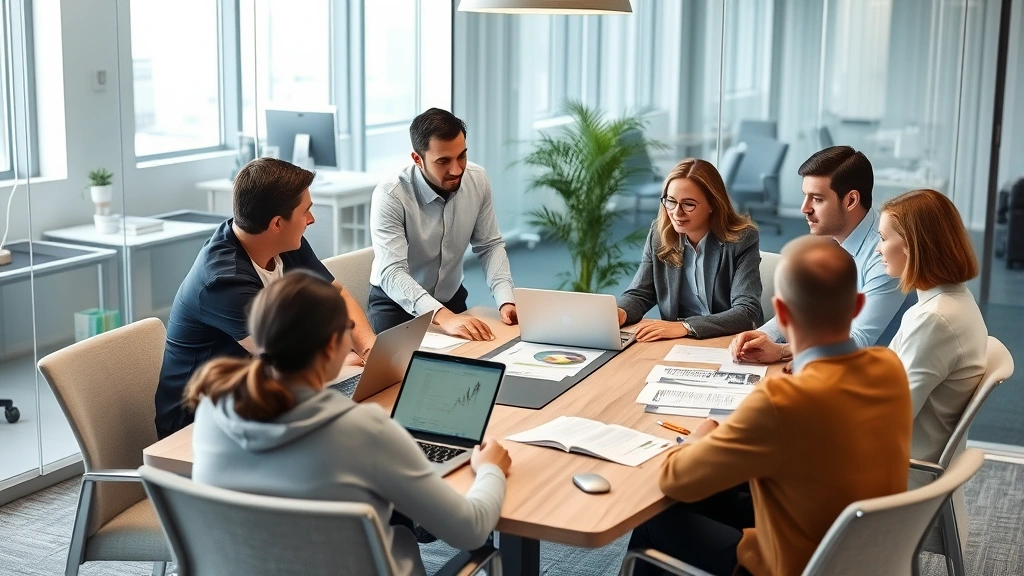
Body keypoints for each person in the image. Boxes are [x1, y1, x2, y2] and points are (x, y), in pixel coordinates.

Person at [186, 271, 511, 576]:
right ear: (332, 345)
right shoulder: (363, 430)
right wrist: (490, 468)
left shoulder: (211, 410)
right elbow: (470, 529)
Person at [627, 236, 911, 576]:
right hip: (863, 554)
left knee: (656, 519)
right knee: (721, 490)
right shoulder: (889, 368)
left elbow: (675, 478)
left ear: (782, 313)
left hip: (794, 565)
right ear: (857, 306)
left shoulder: (782, 402)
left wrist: (706, 430)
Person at [155, 158, 375, 439]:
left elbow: (337, 294)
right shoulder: (223, 280)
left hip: (259, 395)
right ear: (277, 223)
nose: (311, 219)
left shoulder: (282, 242)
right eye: (306, 211)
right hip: (198, 421)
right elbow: (286, 361)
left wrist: (369, 350)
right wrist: (338, 357)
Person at [729, 146, 909, 365]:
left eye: (817, 199)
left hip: (868, 376)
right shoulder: (832, 236)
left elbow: (859, 340)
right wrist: (765, 335)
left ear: (851, 200)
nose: (804, 209)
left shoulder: (884, 255)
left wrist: (783, 350)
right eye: (805, 196)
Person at [369, 108, 516, 341]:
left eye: (462, 156)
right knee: (401, 376)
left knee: (472, 362)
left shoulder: (477, 179)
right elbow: (392, 272)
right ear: (417, 159)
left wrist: (505, 299)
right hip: (397, 305)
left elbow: (489, 245)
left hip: (451, 299)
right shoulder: (391, 195)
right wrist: (443, 316)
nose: (457, 169)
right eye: (443, 161)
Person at [878, 189, 987, 463]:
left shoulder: (935, 320)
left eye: (882, 239)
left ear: (911, 246)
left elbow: (890, 418)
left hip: (891, 466)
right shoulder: (951, 300)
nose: (878, 249)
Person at [616, 158, 762, 341]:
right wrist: (621, 312)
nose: (677, 212)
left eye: (688, 204)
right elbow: (641, 292)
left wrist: (686, 326)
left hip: (727, 340)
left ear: (713, 204)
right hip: (676, 341)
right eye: (671, 201)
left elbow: (747, 312)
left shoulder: (742, 239)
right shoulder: (660, 234)